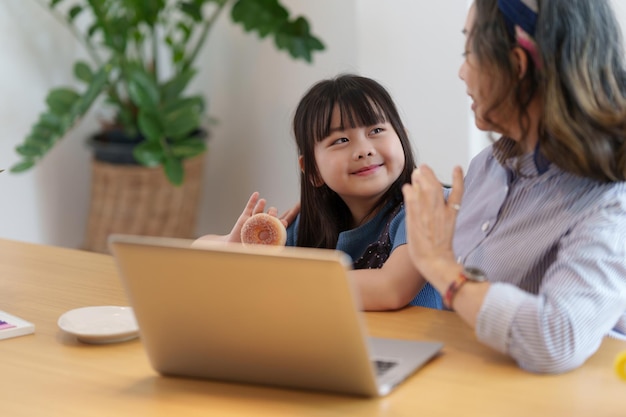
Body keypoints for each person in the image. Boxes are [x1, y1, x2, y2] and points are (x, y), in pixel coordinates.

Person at [401, 0, 626, 374]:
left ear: (518, 66)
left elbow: (557, 339)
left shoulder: (611, 198)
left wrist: (443, 269)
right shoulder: (488, 168)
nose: (461, 72)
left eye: (469, 52)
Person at [197, 74, 442, 311]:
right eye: (341, 140)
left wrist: (271, 278)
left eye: (376, 131)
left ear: (403, 139)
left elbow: (390, 289)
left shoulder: (424, 205)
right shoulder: (309, 224)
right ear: (312, 170)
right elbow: (199, 251)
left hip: (419, 347)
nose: (364, 150)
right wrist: (230, 246)